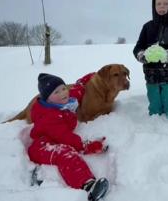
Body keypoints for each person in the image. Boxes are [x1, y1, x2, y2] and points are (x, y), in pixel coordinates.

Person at [27, 73, 109, 201]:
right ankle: (88, 186)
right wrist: (86, 146)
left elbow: (78, 89)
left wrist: (93, 76)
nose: (63, 93)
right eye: (56, 92)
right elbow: (65, 137)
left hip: (53, 141)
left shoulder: (66, 101)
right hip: (42, 147)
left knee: (64, 150)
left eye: (64, 88)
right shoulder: (50, 116)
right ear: (47, 99)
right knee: (66, 154)